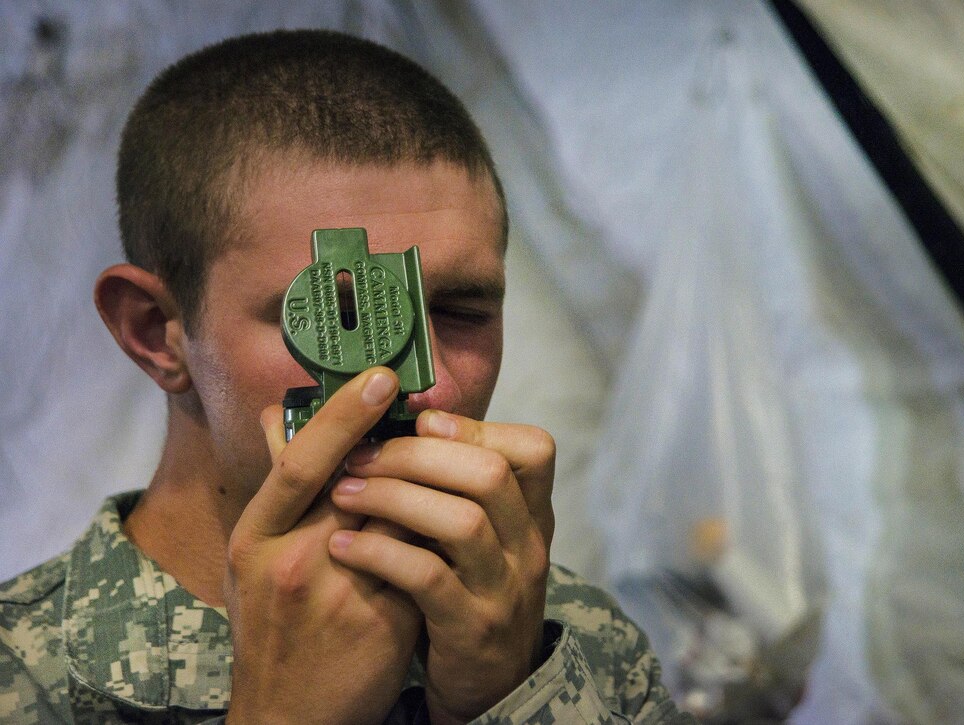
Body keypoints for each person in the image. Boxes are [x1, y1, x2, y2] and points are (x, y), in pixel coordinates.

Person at [0, 29, 691, 724]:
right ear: (156, 332)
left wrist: (506, 695)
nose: (432, 389)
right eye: (340, 314)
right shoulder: (23, 681)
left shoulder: (575, 648)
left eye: (460, 310)